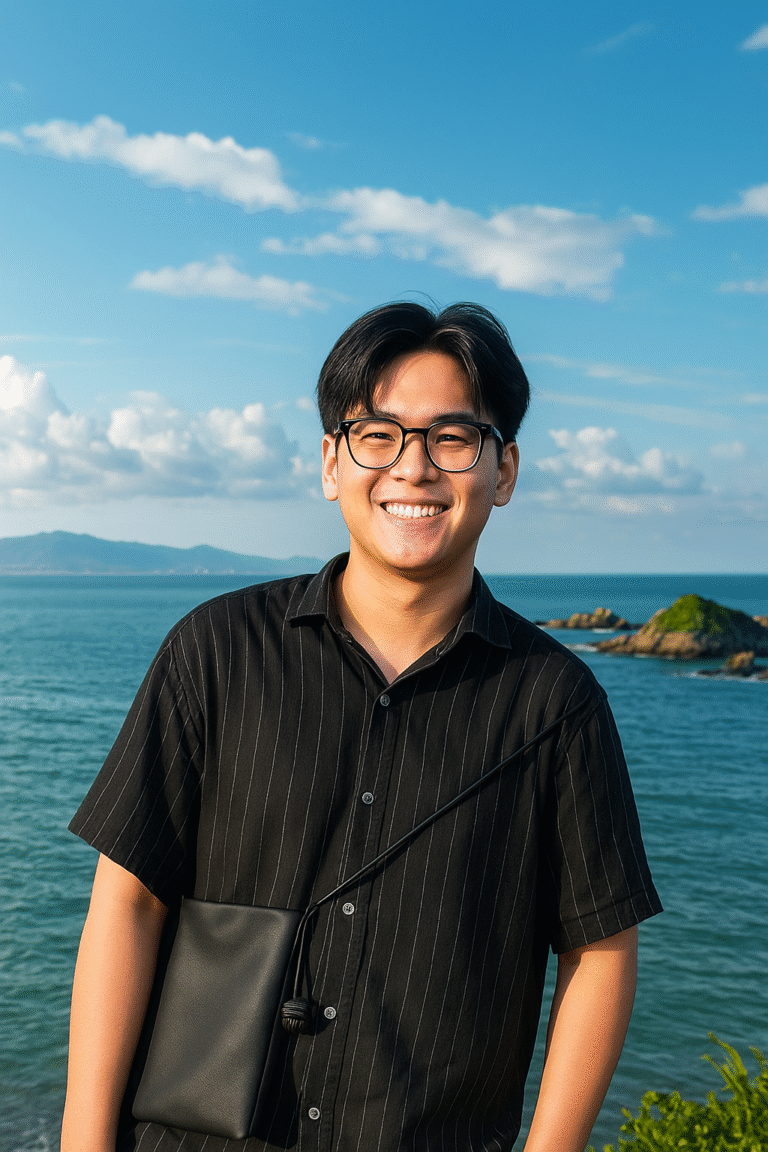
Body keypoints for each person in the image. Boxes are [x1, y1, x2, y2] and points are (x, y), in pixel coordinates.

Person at [62, 301, 661, 1152]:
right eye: (377, 434)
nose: (413, 469)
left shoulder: (555, 704)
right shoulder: (216, 650)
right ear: (330, 463)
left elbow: (601, 950)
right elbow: (127, 905)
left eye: (453, 437)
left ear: (506, 470)